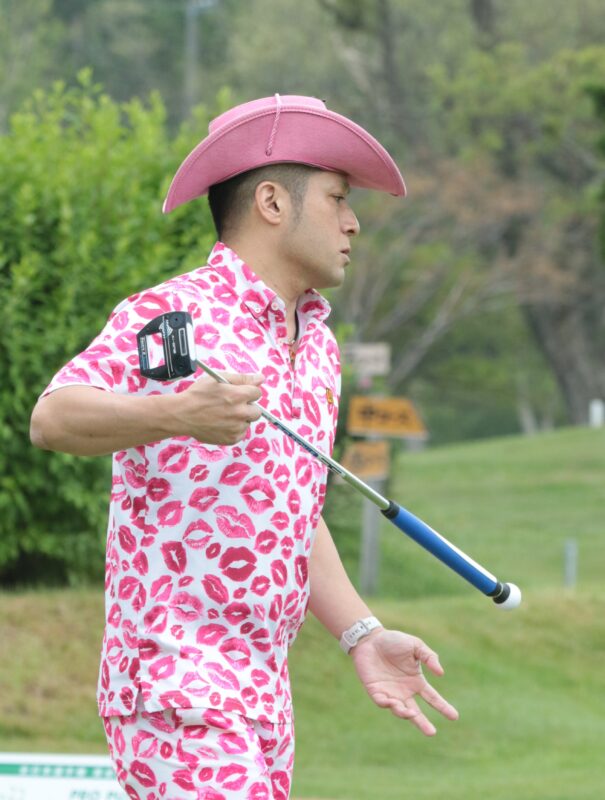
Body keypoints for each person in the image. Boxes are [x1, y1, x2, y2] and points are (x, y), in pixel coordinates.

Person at [30, 94, 458, 800]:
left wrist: (361, 634)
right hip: (171, 680)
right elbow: (53, 417)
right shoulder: (172, 315)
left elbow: (294, 512)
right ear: (272, 202)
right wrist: (176, 413)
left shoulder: (318, 349)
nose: (352, 222)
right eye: (337, 199)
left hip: (265, 696)